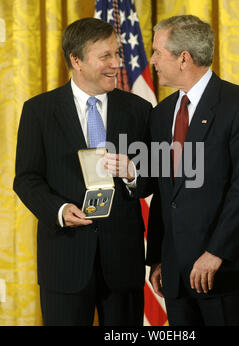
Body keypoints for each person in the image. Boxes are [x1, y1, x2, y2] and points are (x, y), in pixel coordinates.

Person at [13, 18, 152, 326]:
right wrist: (60, 210)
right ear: (76, 60)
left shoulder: (139, 110)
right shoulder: (39, 111)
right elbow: (26, 178)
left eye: (117, 54)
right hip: (65, 259)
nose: (117, 63)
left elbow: (153, 178)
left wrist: (132, 173)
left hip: (123, 262)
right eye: (106, 56)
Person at [146, 15, 239, 326]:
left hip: (227, 275)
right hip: (176, 278)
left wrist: (216, 253)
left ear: (184, 58)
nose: (153, 61)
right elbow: (166, 193)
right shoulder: (162, 114)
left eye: (158, 52)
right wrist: (160, 259)